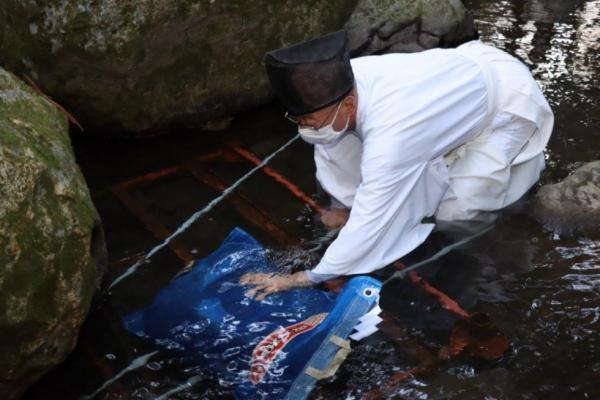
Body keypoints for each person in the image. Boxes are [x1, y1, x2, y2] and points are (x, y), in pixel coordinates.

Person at [242, 30, 553, 300]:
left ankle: (492, 230)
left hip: (500, 103)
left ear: (348, 104)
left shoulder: (394, 133)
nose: (303, 128)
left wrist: (306, 277)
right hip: (444, 98)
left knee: (460, 210)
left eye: (308, 120)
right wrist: (344, 206)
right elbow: (335, 151)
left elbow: (377, 208)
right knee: (349, 146)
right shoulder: (340, 83)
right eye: (297, 119)